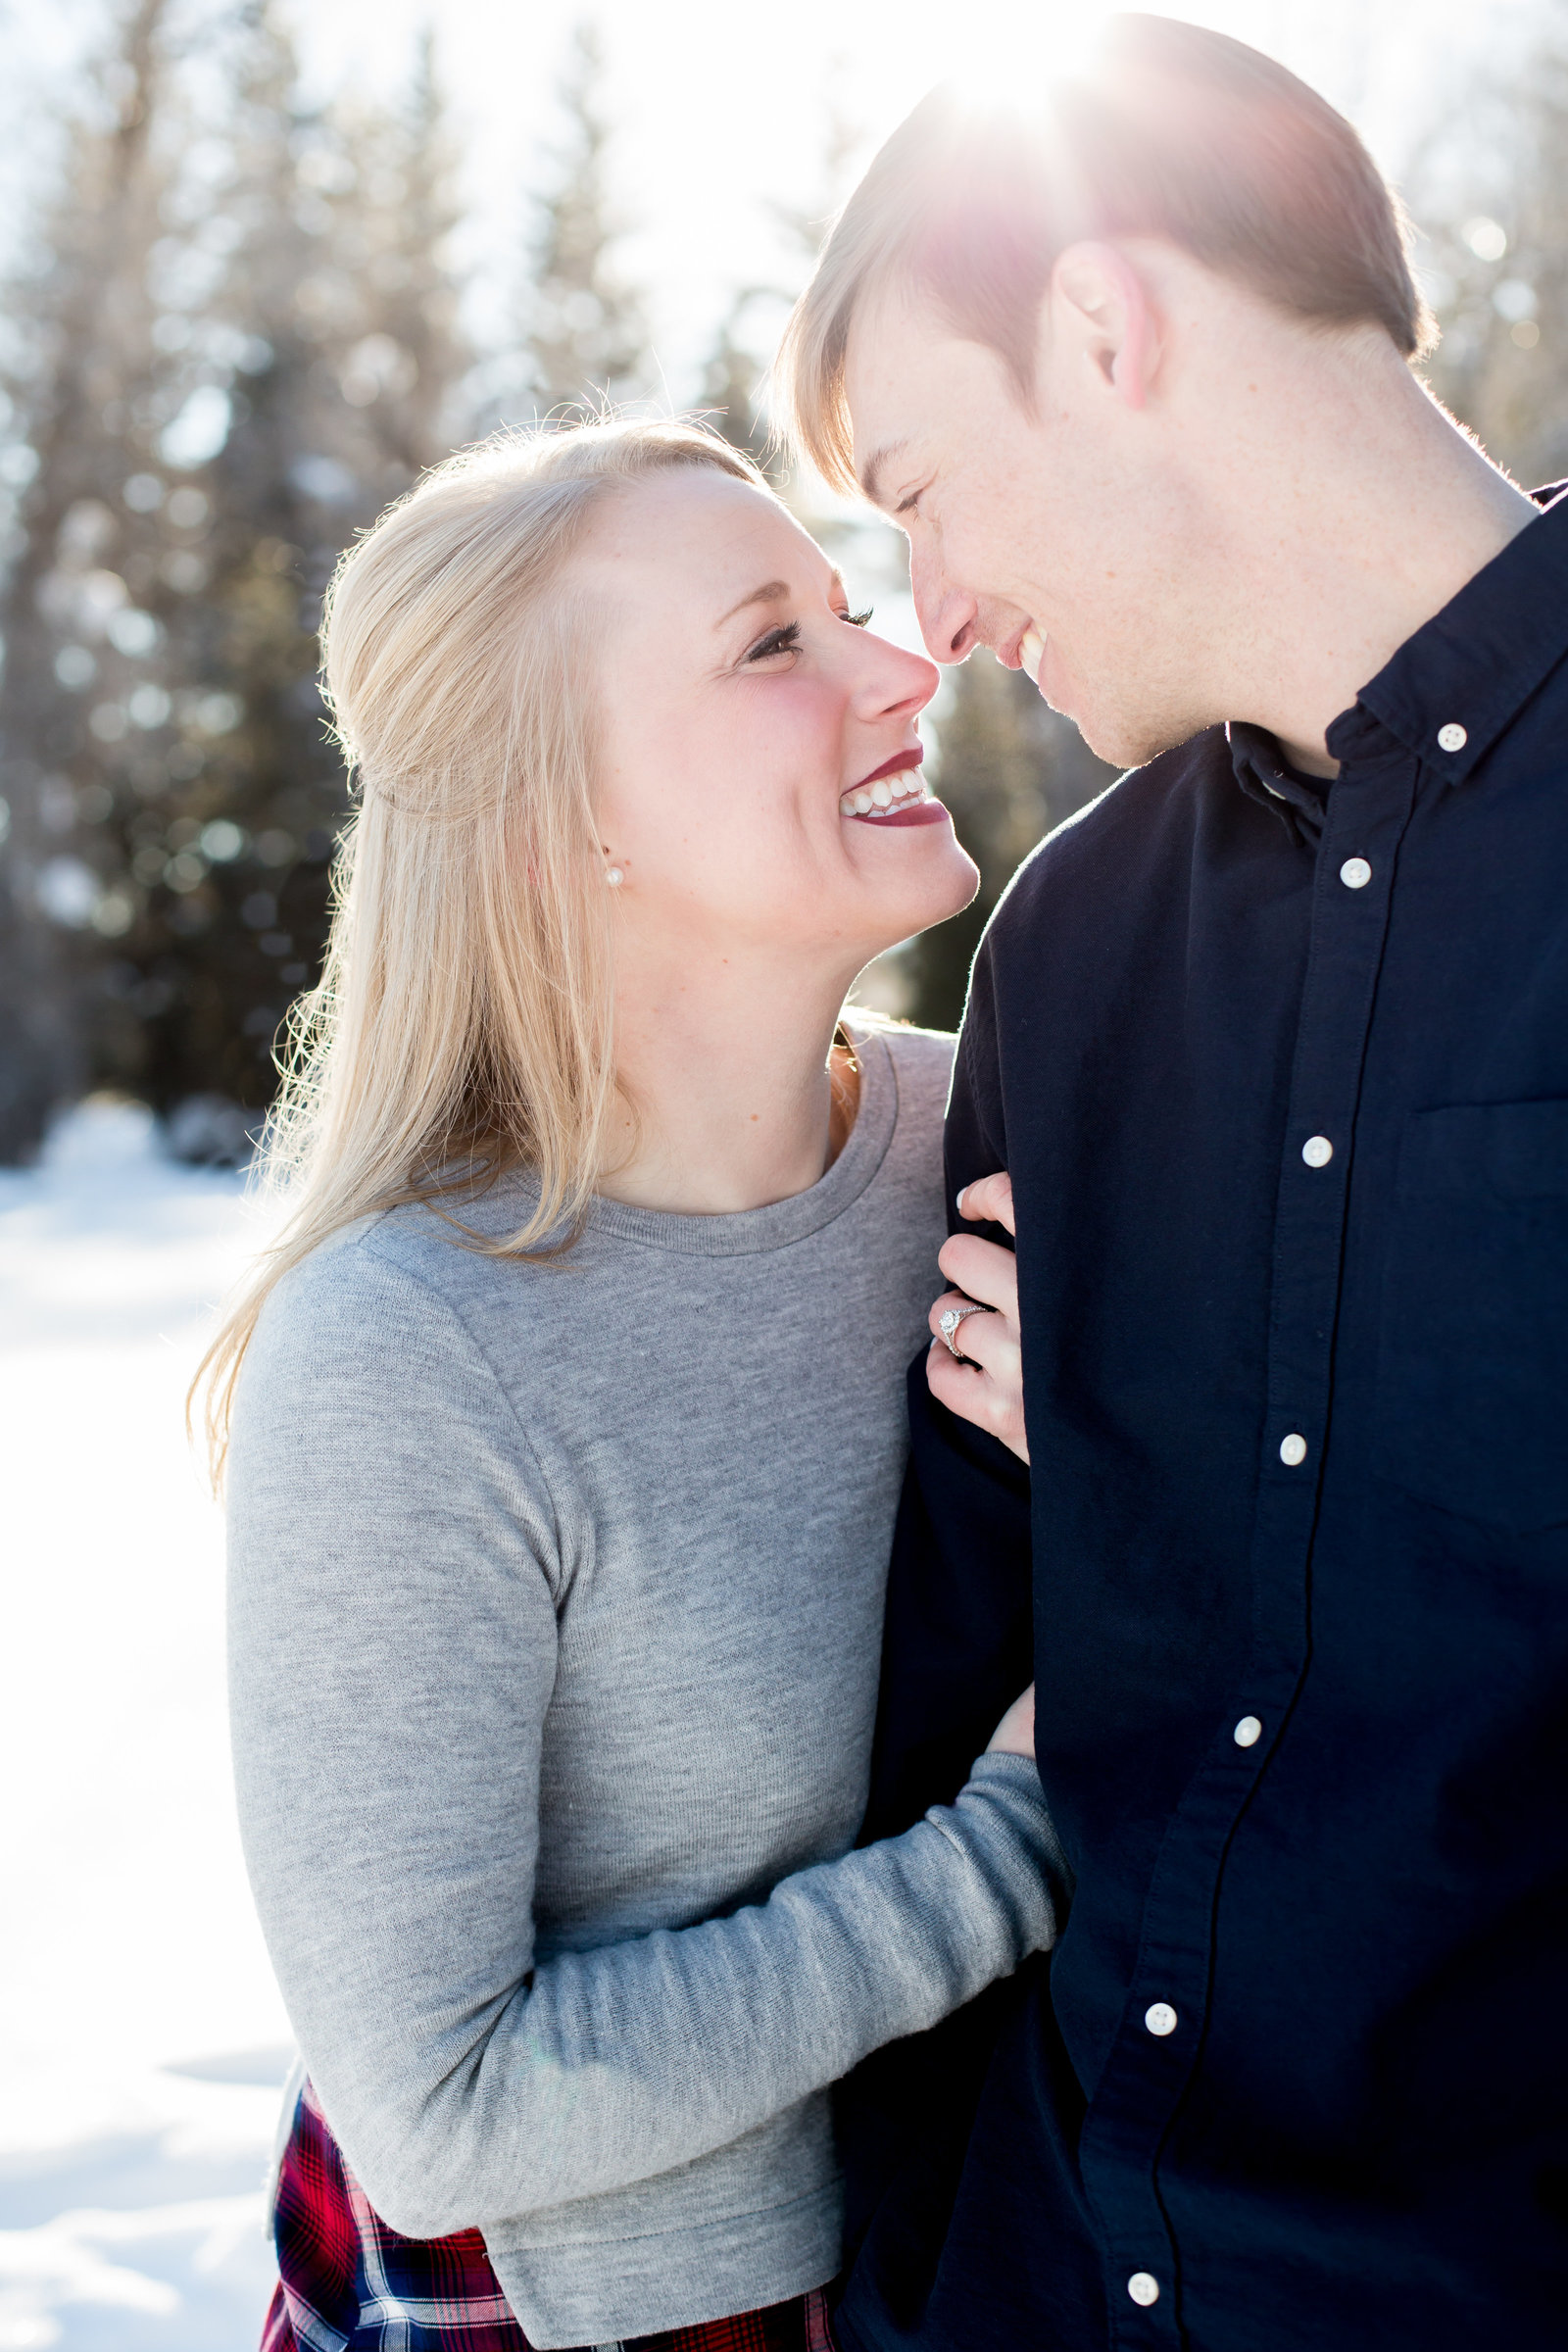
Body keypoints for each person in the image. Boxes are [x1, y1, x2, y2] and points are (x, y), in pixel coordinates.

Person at [778, 13, 1568, 2349]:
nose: (928, 610)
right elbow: (953, 1674)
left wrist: (1176, 1443)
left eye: (921, 483)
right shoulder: (1077, 945)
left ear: (1105, 323)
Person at [203, 419, 1067, 2352]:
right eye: (772, 643)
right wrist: (1003, 1857)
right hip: (612, 2313)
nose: (903, 664)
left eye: (845, 604)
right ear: (550, 823)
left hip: (1001, 2244)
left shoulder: (996, 1152)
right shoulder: (412, 1347)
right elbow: (439, 2110)